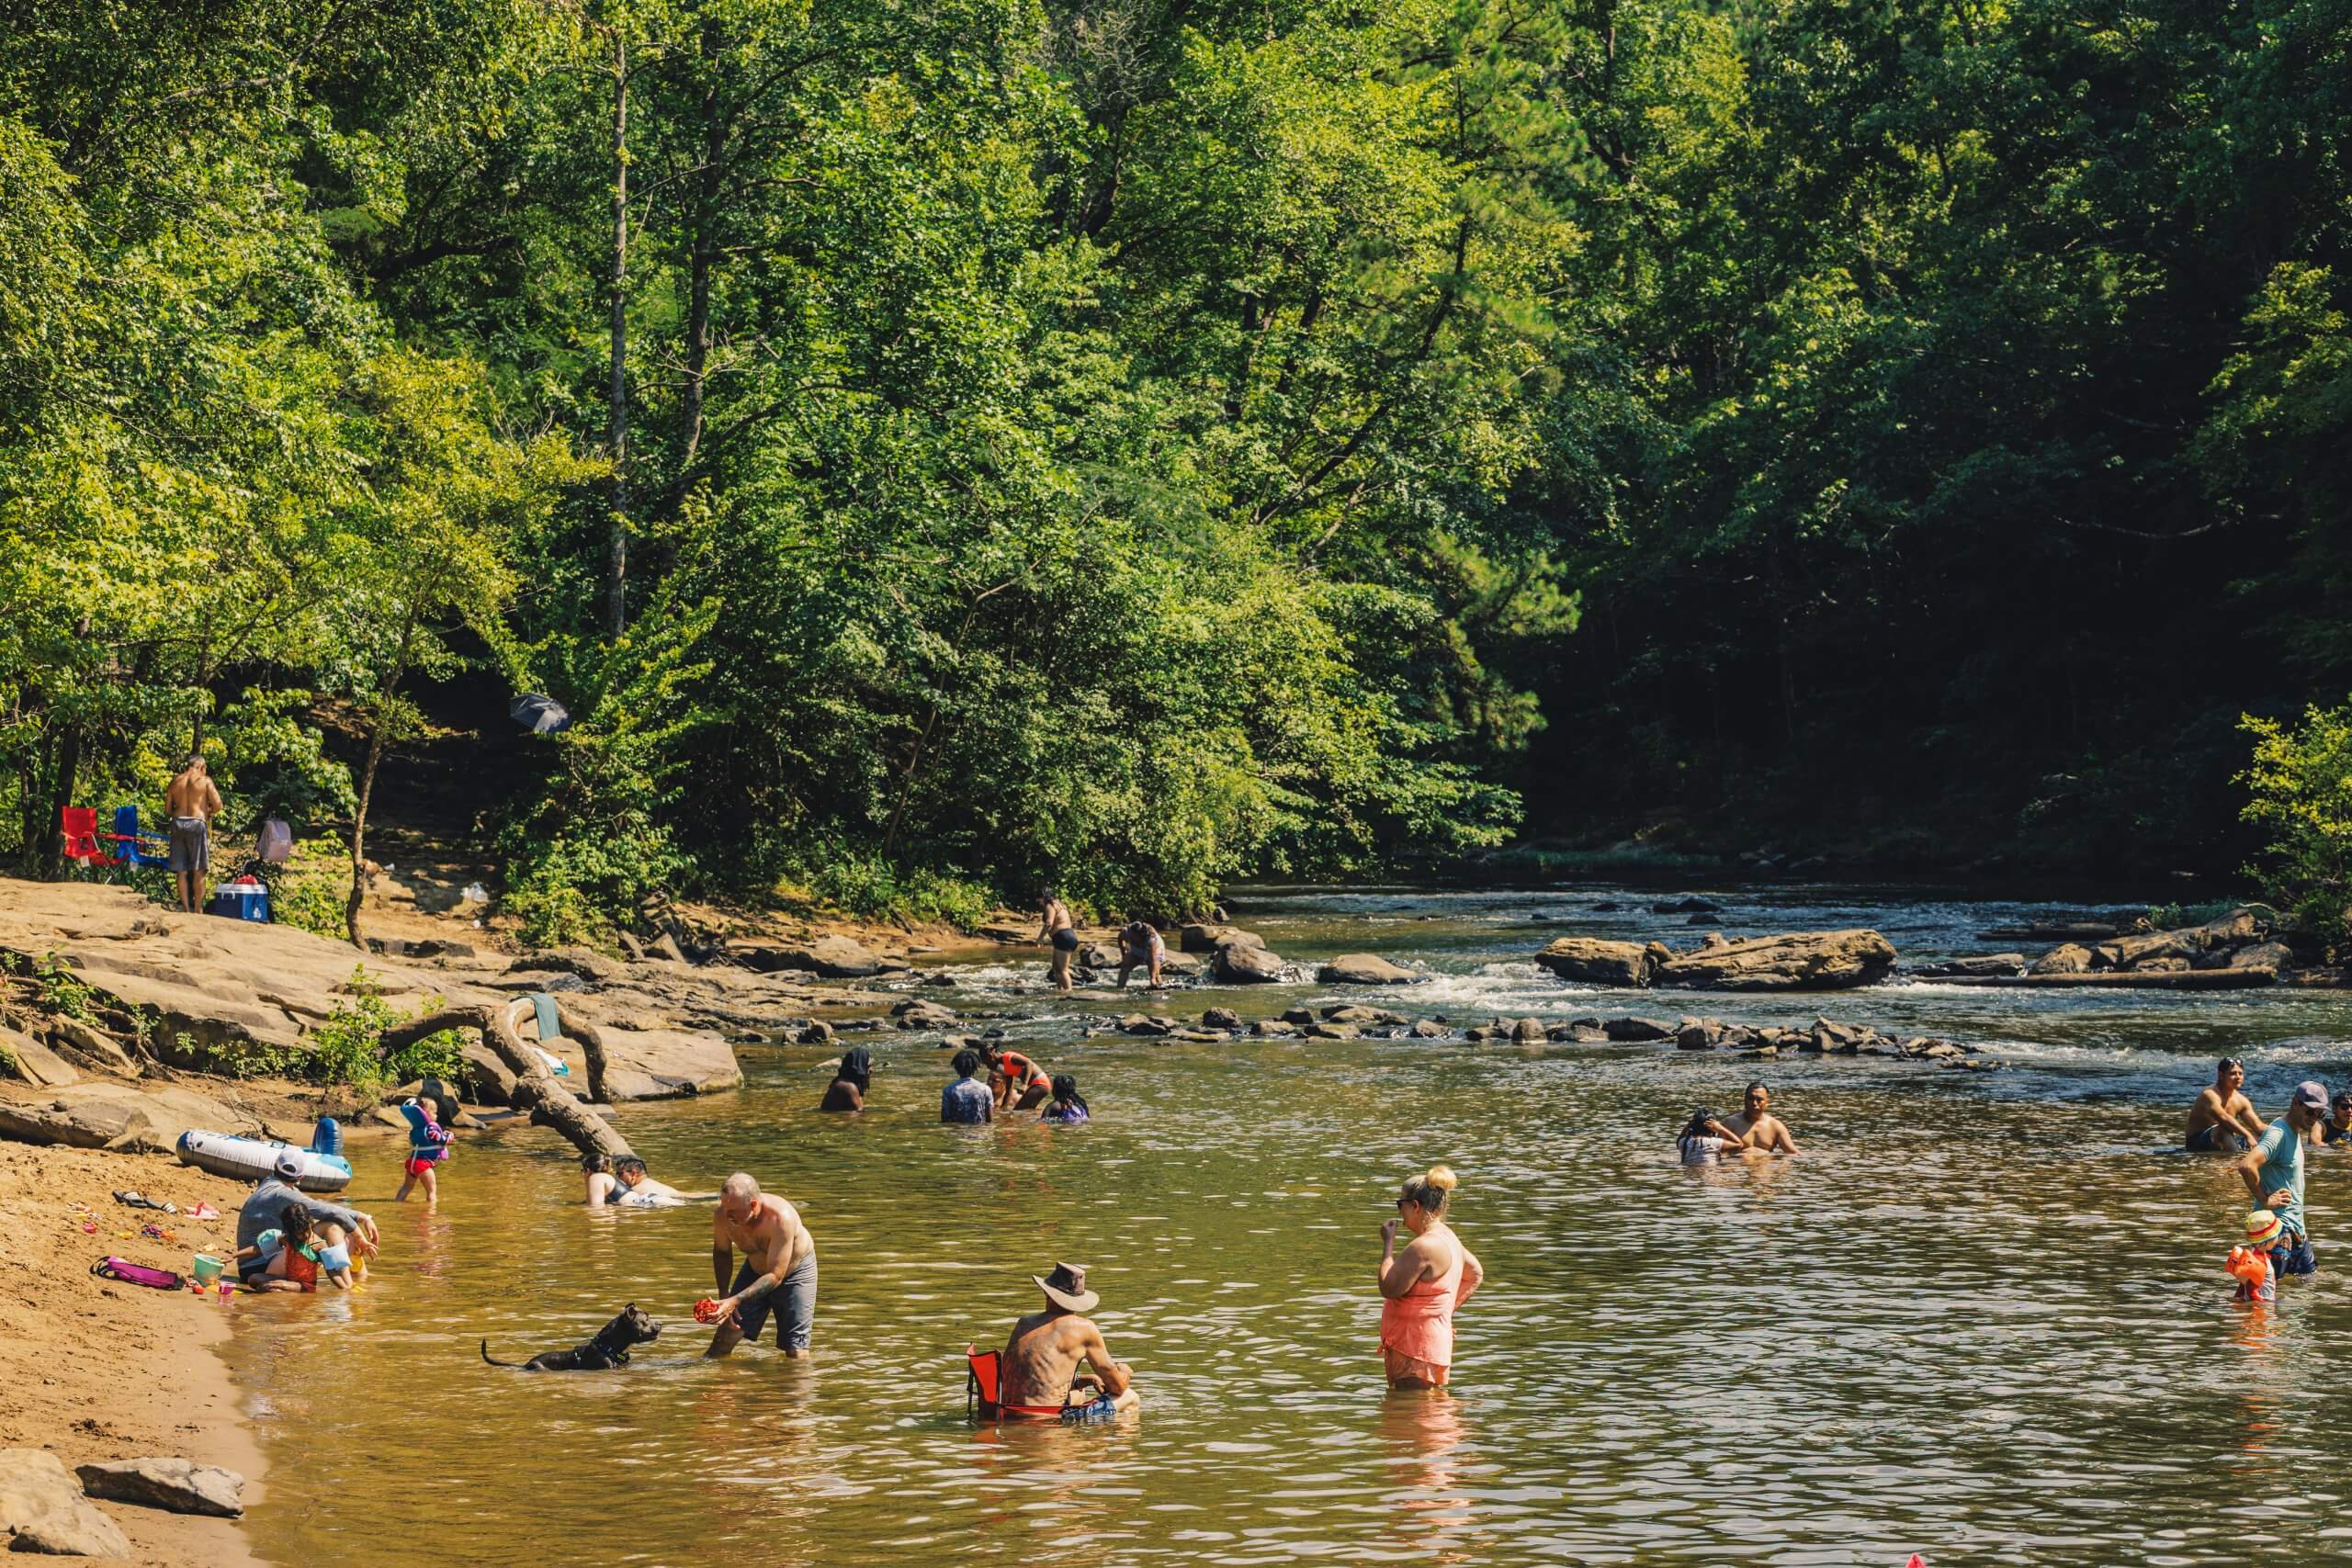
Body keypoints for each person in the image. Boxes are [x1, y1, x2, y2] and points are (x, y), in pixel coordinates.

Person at [1377, 1166, 1483, 1390]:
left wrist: (1388, 1245)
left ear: (1415, 1206)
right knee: (1426, 1412)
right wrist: (1443, 1313)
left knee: (1414, 1415)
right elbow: (1475, 1274)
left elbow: (1389, 1288)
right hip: (1429, 1345)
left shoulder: (1423, 1247)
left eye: (1400, 1205)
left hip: (1414, 1348)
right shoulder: (1448, 1237)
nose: (1400, 1214)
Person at [996, 1262, 1139, 1419]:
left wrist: (1084, 1379)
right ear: (1078, 1300)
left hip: (1005, 1412)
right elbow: (1117, 1387)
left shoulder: (1024, 1323)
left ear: (1047, 1293)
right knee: (1130, 1397)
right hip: (1045, 1420)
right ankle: (1115, 1442)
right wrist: (1124, 1371)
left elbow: (1024, 1376)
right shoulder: (1084, 1328)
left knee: (1079, 1393)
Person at [704, 1173, 818, 1359]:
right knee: (723, 1340)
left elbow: (776, 1275)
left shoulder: (781, 1219)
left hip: (793, 1272)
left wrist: (734, 1301)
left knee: (796, 1351)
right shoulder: (722, 1216)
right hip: (755, 1269)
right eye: (724, 1207)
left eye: (733, 1210)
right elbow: (722, 1253)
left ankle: (791, 1386)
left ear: (753, 1205)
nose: (727, 1214)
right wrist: (724, 1295)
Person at [235, 1162, 377, 1291]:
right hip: (289, 1276)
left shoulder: (319, 1245)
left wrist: (346, 1287)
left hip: (305, 1285)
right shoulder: (288, 1237)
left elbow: (331, 1271)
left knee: (270, 1287)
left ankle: (286, 1286)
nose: (301, 1237)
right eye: (297, 1234)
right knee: (254, 1279)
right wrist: (233, 1255)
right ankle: (283, 1284)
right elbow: (258, 1249)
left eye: (303, 1233)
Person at [2237, 1080, 2326, 1279]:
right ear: (2295, 1103)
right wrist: (2265, 1200)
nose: (2314, 1118)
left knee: (2311, 1286)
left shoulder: (2293, 1133)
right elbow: (2246, 1165)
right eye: (2310, 1111)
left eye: (2320, 1114)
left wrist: (2301, 1228)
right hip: (2276, 1231)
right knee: (2263, 1296)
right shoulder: (2278, 1133)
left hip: (2296, 1231)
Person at [164, 753, 224, 914]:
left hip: (178, 823)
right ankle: (198, 909)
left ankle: (185, 908)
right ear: (202, 767)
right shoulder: (205, 781)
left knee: (181, 871)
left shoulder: (175, 781)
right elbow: (218, 805)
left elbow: (168, 809)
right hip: (197, 823)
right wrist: (207, 810)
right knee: (199, 870)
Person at [2187, 1058, 2267, 1153]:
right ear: (2221, 1075)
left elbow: (2258, 1126)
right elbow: (2223, 1118)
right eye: (2233, 1074)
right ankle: (2234, 1160)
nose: (2238, 1077)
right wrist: (2247, 1135)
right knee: (2224, 1127)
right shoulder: (2209, 1094)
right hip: (2198, 1143)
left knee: (2262, 1136)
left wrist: (2281, 1131)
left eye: (2240, 1074)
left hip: (2227, 1139)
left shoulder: (2241, 1100)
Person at [393, 1084, 456, 1203]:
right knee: (432, 1192)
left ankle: (397, 1204)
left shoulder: (416, 1129)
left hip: (412, 1163)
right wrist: (449, 1135)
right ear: (426, 1114)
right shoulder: (431, 1127)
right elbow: (441, 1140)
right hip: (423, 1165)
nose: (436, 1115)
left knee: (407, 1187)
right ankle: (432, 1213)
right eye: (435, 1112)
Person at [585, 1153, 692, 1208]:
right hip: (650, 1200)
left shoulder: (596, 1177)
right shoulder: (608, 1180)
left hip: (648, 1202)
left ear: (588, 1170)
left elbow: (596, 1208)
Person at [1721, 1082, 1799, 1154]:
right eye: (1751, 1099)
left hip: (1764, 1167)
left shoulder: (1776, 1126)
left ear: (1767, 1102)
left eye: (1759, 1100)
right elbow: (1717, 1151)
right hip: (1738, 1167)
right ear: (1744, 1100)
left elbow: (1793, 1153)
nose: (1754, 1103)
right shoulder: (1730, 1123)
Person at [985, 1043, 1052, 1112]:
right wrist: (1002, 1110)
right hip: (1038, 1085)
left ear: (990, 1056)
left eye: (986, 1063)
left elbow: (1029, 1063)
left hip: (1040, 1084)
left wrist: (1024, 1084)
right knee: (1027, 1111)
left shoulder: (1007, 1056)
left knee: (1019, 1110)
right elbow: (1008, 1092)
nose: (987, 1066)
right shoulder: (1005, 1067)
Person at [1678, 1107, 1751, 1163]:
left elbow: (1678, 1141)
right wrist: (1721, 1128)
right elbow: (1739, 1144)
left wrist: (1687, 1126)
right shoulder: (1713, 1142)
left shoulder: (1683, 1142)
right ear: (1711, 1129)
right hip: (1710, 1177)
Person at [1038, 891, 1078, 994]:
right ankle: (1060, 991)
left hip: (1063, 937)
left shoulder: (1050, 906)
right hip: (1066, 936)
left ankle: (1069, 993)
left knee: (1063, 970)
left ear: (1045, 898)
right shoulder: (1060, 904)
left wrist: (1039, 938)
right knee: (1056, 968)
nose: (1038, 901)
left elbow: (1048, 923)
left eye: (1039, 898)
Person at [942, 1049, 994, 1124]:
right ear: (975, 1068)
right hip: (979, 1133)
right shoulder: (985, 1089)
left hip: (957, 1133)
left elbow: (945, 1119)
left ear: (956, 1068)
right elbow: (989, 1120)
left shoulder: (949, 1090)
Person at [1115, 918, 1165, 989]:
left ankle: (1159, 989)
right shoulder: (1126, 932)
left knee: (1155, 974)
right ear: (1133, 933)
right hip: (1137, 950)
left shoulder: (1151, 939)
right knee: (1124, 967)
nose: (1141, 938)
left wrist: (1152, 978)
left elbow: (1153, 960)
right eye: (1139, 937)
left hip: (1157, 950)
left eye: (1143, 937)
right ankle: (1119, 989)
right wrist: (1123, 953)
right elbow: (1120, 939)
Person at [820, 1047, 872, 1112]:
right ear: (860, 1066)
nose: (871, 1070)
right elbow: (854, 1120)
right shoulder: (849, 1087)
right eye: (869, 1066)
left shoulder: (848, 1084)